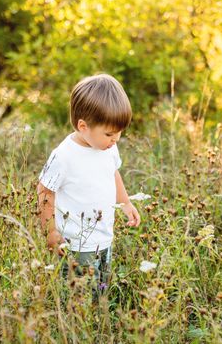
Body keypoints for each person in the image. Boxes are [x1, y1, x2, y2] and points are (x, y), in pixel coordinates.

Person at [37, 73, 140, 301]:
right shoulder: (64, 156)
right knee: (78, 295)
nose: (116, 139)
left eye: (119, 133)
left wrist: (126, 203)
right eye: (110, 133)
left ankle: (99, 320)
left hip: (104, 237)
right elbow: (45, 191)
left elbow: (112, 173)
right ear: (83, 126)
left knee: (101, 289)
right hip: (76, 243)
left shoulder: (108, 147)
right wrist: (50, 231)